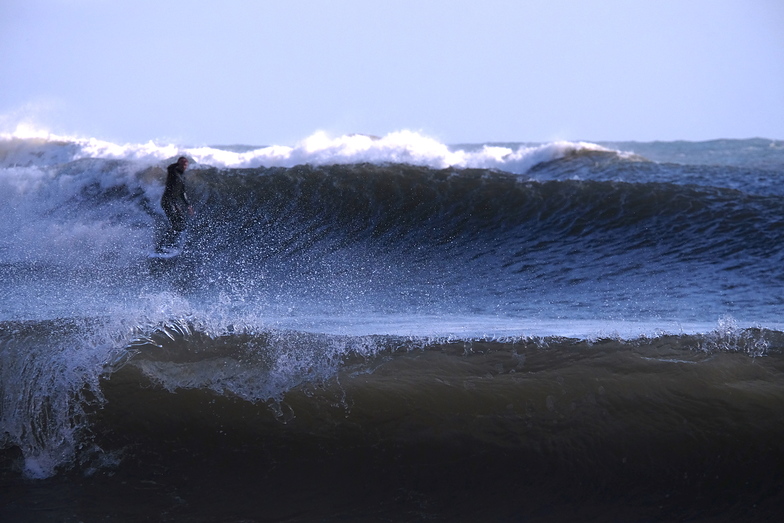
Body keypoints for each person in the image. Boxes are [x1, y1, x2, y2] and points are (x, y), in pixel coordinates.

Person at [159, 156, 194, 251]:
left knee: (182, 222)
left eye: (185, 164)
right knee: (175, 223)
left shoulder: (182, 176)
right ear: (178, 164)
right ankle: (162, 245)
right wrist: (178, 163)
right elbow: (169, 168)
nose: (184, 165)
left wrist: (188, 205)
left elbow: (183, 193)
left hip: (174, 202)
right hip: (167, 201)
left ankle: (171, 243)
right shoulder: (173, 172)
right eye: (182, 163)